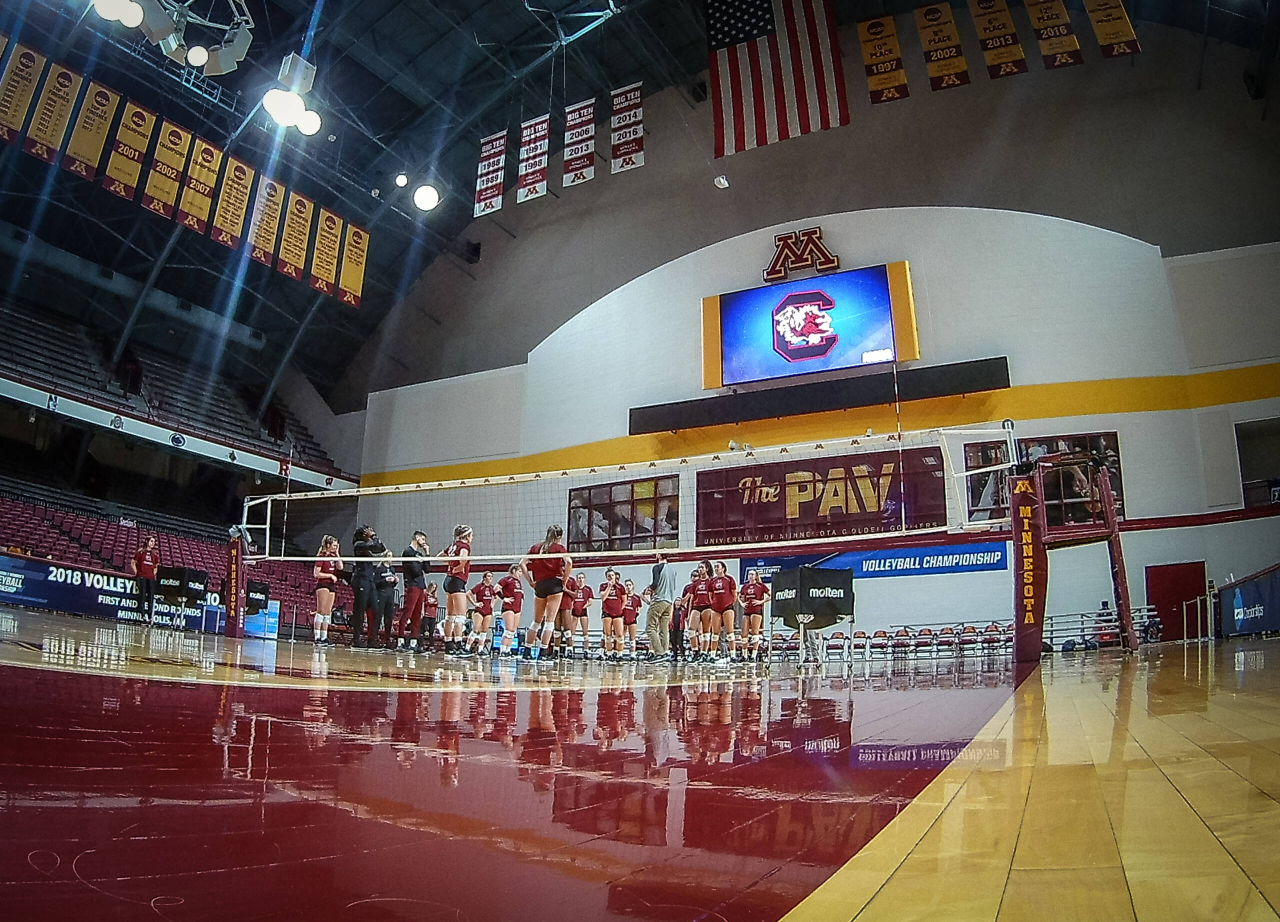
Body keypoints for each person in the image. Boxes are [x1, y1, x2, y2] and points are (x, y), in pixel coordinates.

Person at [519, 525, 573, 661]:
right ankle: (543, 652)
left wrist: (530, 581)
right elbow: (569, 562)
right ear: (559, 536)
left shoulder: (535, 548)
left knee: (536, 621)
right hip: (555, 584)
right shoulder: (559, 548)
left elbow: (522, 564)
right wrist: (565, 580)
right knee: (549, 621)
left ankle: (527, 651)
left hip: (540, 585)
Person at [349, 525, 386, 649]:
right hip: (361, 579)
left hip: (370, 580)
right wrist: (373, 536)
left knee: (375, 610)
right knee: (360, 610)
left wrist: (374, 536)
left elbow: (381, 548)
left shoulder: (368, 545)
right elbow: (375, 546)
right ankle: (356, 639)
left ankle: (372, 640)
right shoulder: (358, 545)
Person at [440, 525, 472, 656]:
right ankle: (459, 645)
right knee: (461, 616)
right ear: (467, 536)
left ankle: (448, 645)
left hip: (448, 580)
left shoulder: (452, 546)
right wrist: (458, 567)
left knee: (450, 616)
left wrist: (450, 565)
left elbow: (440, 556)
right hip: (457, 580)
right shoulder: (464, 546)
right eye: (471, 535)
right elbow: (463, 558)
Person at [397, 531, 430, 652]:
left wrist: (427, 554)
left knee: (417, 615)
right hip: (412, 585)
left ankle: (413, 643)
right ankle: (400, 641)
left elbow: (427, 569)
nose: (424, 542)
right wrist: (420, 565)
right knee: (407, 613)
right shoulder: (408, 552)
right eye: (422, 539)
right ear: (416, 537)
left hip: (420, 586)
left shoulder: (419, 554)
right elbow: (415, 570)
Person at [644, 551, 676, 662]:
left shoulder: (657, 567)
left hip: (659, 600)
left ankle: (659, 653)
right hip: (669, 601)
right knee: (664, 629)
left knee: (650, 628)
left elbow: (655, 583)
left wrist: (648, 589)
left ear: (659, 555)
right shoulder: (673, 570)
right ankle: (665, 652)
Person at [312, 535, 341, 646]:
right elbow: (316, 573)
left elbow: (340, 567)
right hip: (323, 584)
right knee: (321, 611)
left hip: (331, 585)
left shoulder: (333, 556)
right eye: (334, 545)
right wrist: (329, 575)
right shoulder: (322, 556)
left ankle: (324, 637)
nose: (335, 547)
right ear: (328, 545)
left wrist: (337, 554)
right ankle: (317, 637)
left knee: (328, 612)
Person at [709, 562, 739, 662]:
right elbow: (710, 595)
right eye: (715, 567)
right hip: (716, 609)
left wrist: (730, 603)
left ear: (723, 568)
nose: (716, 568)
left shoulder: (729, 579)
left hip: (727, 607)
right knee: (715, 633)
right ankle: (712, 655)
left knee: (730, 632)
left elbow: (734, 594)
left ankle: (733, 655)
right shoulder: (712, 581)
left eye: (718, 567)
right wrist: (713, 603)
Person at [739, 569, 771, 662]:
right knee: (744, 634)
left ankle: (754, 655)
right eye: (749, 574)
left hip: (756, 611)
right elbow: (739, 596)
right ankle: (744, 655)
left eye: (752, 574)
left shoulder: (760, 586)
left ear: (756, 576)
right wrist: (742, 603)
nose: (750, 576)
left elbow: (771, 595)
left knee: (755, 633)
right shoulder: (745, 586)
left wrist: (761, 602)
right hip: (747, 610)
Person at [130, 535, 160, 626]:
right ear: (147, 541)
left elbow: (156, 566)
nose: (153, 543)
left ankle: (150, 616)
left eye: (154, 542)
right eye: (151, 541)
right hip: (142, 576)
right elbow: (133, 562)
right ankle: (142, 616)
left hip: (151, 578)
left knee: (151, 597)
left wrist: (153, 574)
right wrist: (137, 573)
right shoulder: (140, 552)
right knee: (142, 596)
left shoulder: (154, 555)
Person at [372, 551, 399, 649]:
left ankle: (387, 640)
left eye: (391, 556)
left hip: (390, 594)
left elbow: (393, 584)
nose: (390, 558)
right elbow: (375, 583)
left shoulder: (392, 569)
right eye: (389, 556)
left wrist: (395, 581)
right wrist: (385, 580)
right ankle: (374, 639)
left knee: (389, 618)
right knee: (378, 617)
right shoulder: (379, 569)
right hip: (381, 594)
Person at [465, 571, 498, 656]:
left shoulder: (492, 588)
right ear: (484, 578)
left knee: (484, 630)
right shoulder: (479, 586)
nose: (490, 578)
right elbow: (468, 594)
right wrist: (475, 603)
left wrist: (493, 604)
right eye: (489, 576)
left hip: (488, 611)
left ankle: (480, 649)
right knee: (476, 629)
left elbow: (496, 596)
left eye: (491, 577)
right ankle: (467, 647)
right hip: (479, 610)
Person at [497, 564, 524, 657]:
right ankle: (502, 651)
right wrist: (504, 598)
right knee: (508, 630)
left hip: (517, 608)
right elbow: (496, 589)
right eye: (519, 571)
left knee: (512, 631)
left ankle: (508, 650)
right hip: (508, 608)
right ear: (513, 571)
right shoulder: (506, 579)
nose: (521, 574)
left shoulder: (519, 582)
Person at [598, 568, 625, 661]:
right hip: (607, 612)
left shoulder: (620, 587)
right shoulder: (603, 586)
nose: (611, 577)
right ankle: (609, 654)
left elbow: (624, 600)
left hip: (617, 613)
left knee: (620, 634)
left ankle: (619, 654)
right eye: (609, 576)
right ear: (606, 577)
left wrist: (619, 609)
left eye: (612, 575)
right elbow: (603, 598)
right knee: (608, 634)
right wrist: (609, 587)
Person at [690, 562, 714, 663]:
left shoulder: (711, 582)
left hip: (707, 606)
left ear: (707, 569)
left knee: (705, 632)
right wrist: (689, 613)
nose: (700, 569)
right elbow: (691, 599)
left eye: (702, 567)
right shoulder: (695, 583)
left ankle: (704, 653)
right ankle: (695, 651)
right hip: (696, 606)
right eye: (699, 567)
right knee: (691, 630)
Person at [553, 573, 578, 659]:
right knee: (557, 628)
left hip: (566, 604)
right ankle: (556, 650)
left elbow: (576, 595)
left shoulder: (571, 580)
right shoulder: (555, 579)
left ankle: (569, 649)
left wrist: (566, 590)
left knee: (567, 628)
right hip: (556, 604)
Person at [569, 575, 594, 659]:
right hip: (574, 611)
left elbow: (590, 601)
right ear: (577, 579)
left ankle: (586, 649)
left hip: (583, 611)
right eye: (579, 578)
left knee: (585, 632)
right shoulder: (574, 588)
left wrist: (583, 607)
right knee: (572, 631)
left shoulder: (588, 589)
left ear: (584, 579)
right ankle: (570, 649)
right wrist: (572, 606)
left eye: (582, 578)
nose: (580, 579)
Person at [621, 579, 642, 660]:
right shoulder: (623, 596)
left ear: (633, 586)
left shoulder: (636, 597)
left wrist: (635, 616)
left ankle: (633, 654)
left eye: (630, 585)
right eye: (626, 585)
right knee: (621, 637)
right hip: (623, 619)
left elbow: (638, 609)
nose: (628, 587)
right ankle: (620, 653)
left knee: (632, 638)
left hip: (632, 620)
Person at [423, 582, 440, 651]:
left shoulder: (435, 596)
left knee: (432, 631)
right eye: (433, 587)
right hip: (426, 614)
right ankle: (421, 645)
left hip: (433, 615)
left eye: (435, 588)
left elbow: (436, 604)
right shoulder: (425, 595)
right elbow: (426, 603)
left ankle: (431, 646)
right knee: (423, 630)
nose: (433, 589)